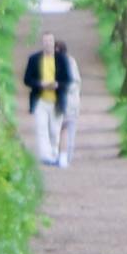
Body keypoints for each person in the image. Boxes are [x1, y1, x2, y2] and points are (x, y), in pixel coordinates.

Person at [22, 31, 74, 165]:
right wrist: (40, 84)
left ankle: (54, 153)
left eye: (50, 41)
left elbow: (68, 80)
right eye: (45, 41)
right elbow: (27, 80)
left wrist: (57, 85)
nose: (48, 44)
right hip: (40, 100)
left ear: (53, 42)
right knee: (41, 128)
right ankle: (46, 156)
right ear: (42, 43)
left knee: (55, 130)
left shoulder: (62, 59)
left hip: (57, 101)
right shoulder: (34, 59)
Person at [55, 40, 82, 168]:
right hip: (61, 102)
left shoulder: (69, 63)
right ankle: (63, 156)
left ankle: (64, 156)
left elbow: (74, 83)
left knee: (66, 128)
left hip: (68, 102)